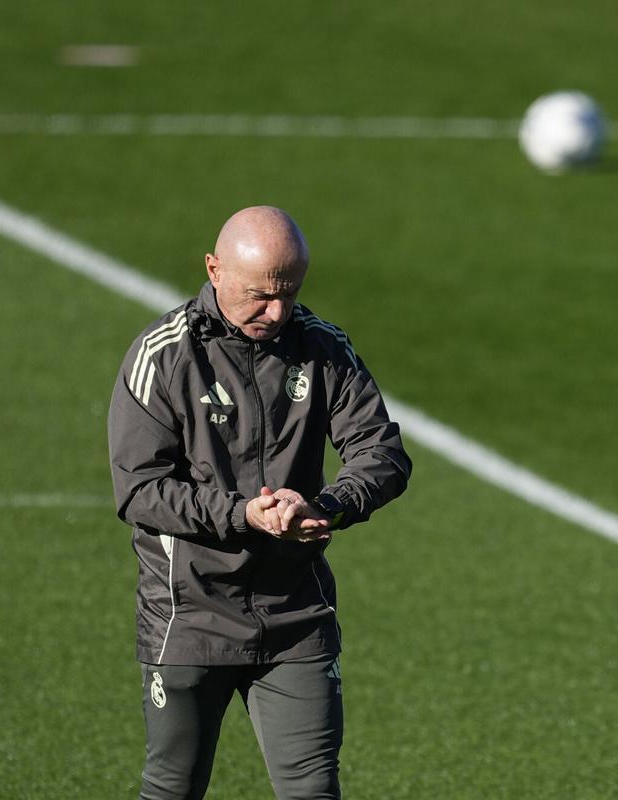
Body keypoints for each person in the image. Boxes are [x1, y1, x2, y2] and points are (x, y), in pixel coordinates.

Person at [108, 206, 412, 799]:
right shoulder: (163, 356)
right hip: (188, 615)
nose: (275, 313)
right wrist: (242, 514)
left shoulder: (323, 348)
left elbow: (383, 453)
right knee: (172, 788)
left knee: (312, 792)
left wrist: (329, 504)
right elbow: (140, 490)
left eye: (288, 294)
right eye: (258, 297)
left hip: (295, 617)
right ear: (214, 269)